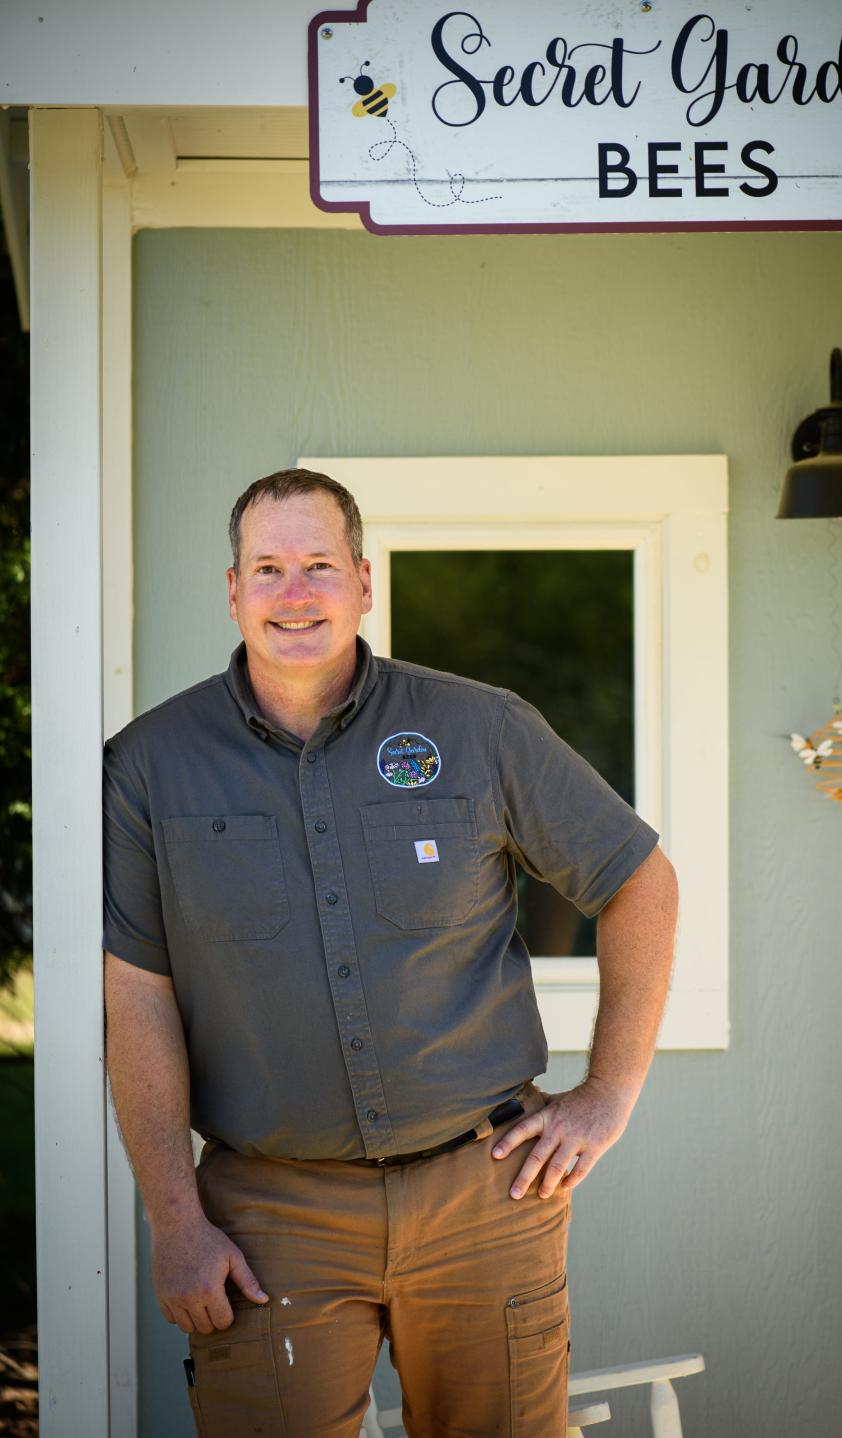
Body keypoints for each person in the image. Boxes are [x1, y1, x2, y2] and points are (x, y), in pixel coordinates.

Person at [103, 468, 679, 1438]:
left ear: (364, 583)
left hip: (484, 1193)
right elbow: (138, 997)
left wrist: (607, 1095)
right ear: (233, 589)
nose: (295, 594)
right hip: (267, 1214)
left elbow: (638, 882)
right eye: (270, 568)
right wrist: (175, 1219)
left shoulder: (479, 728)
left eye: (319, 566)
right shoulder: (150, 766)